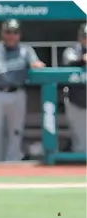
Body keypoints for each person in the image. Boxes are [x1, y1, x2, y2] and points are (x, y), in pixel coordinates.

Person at [0, 19, 45, 162]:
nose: (11, 35)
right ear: (2, 33)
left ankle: (13, 163)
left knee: (16, 131)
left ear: (19, 34)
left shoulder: (26, 50)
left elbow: (35, 63)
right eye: (8, 32)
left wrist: (36, 64)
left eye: (15, 32)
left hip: (18, 93)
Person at [62, 23, 87, 153]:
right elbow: (70, 62)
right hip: (76, 100)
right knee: (80, 140)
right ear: (80, 37)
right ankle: (79, 169)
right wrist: (83, 60)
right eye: (84, 36)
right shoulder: (71, 50)